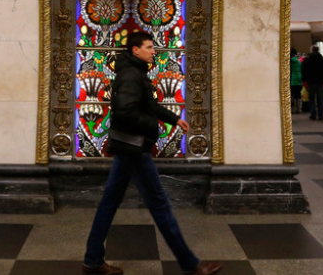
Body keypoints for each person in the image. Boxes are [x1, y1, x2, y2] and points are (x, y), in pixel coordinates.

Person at [83, 31, 222, 275]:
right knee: (160, 205)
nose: (153, 51)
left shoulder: (134, 72)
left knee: (109, 203)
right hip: (135, 149)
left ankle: (92, 261)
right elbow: (125, 111)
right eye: (148, 47)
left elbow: (148, 105)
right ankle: (191, 266)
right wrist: (152, 126)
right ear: (135, 50)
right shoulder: (131, 75)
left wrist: (173, 119)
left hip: (127, 147)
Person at [301, 45, 323, 121]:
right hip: (321, 81)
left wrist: (304, 81)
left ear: (311, 50)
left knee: (311, 98)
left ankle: (313, 114)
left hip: (310, 81)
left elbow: (304, 71)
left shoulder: (307, 59)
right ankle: (321, 115)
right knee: (320, 98)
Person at [290, 48, 303, 113]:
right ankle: (299, 108)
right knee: (298, 94)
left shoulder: (290, 61)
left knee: (292, 95)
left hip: (292, 80)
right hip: (299, 79)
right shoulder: (299, 61)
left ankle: (293, 109)